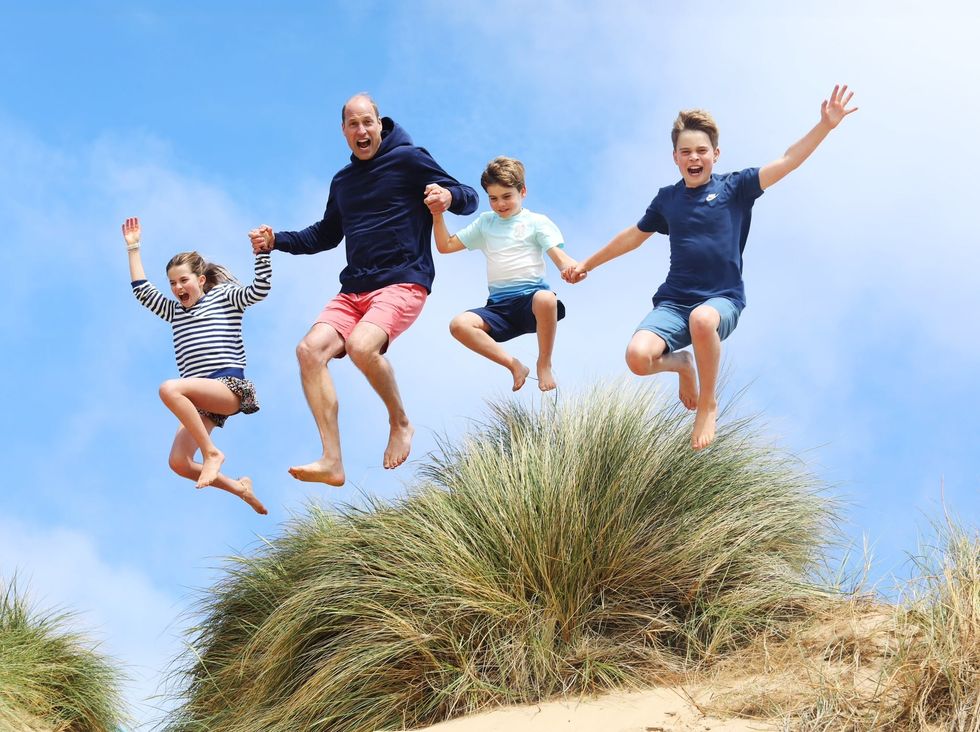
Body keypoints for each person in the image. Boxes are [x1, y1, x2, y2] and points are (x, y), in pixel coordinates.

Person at [563, 84, 858, 450]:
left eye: (701, 150)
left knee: (702, 319)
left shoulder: (736, 187)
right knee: (638, 358)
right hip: (673, 303)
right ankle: (683, 365)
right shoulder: (667, 199)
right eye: (685, 151)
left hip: (722, 299)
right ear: (675, 157)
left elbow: (788, 159)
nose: (694, 157)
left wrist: (825, 127)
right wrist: (587, 263)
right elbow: (633, 236)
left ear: (715, 154)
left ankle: (708, 403)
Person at [249, 93, 478, 486]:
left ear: (379, 123)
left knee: (360, 345)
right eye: (353, 124)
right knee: (308, 351)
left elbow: (469, 198)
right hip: (354, 289)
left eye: (367, 122)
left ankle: (400, 422)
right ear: (343, 131)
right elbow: (324, 234)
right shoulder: (343, 182)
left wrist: (447, 195)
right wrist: (277, 241)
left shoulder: (409, 159)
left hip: (404, 280)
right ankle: (332, 461)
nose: (361, 130)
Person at [123, 216, 270, 514]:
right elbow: (141, 290)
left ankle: (211, 453)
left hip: (228, 387)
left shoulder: (223, 298)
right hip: (201, 401)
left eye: (184, 280)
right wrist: (134, 248)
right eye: (173, 283)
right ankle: (240, 488)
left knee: (169, 389)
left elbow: (259, 290)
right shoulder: (174, 311)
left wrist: (263, 254)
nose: (178, 287)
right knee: (178, 462)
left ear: (200, 280)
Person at [432, 156, 577, 392]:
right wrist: (437, 215)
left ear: (523, 191)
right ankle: (514, 365)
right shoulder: (485, 223)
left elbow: (559, 256)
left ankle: (544, 363)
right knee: (459, 325)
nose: (500, 204)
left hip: (531, 304)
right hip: (499, 308)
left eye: (507, 196)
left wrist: (568, 268)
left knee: (546, 298)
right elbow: (445, 246)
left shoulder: (537, 222)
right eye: (493, 198)